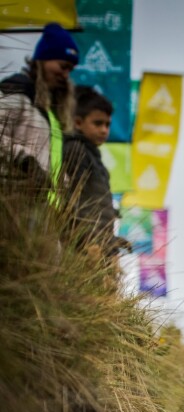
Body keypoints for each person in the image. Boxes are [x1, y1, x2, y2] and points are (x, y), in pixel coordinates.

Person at [0, 22, 78, 189]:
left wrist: (61, 181)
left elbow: (45, 159)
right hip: (10, 198)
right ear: (42, 60)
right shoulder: (16, 91)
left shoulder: (48, 109)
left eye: (70, 69)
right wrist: (24, 159)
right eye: (63, 66)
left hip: (37, 205)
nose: (66, 75)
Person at [62, 86, 125, 256]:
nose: (104, 130)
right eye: (98, 123)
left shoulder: (94, 158)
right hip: (86, 248)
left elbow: (97, 205)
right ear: (78, 122)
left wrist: (112, 242)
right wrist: (87, 242)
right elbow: (75, 201)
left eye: (107, 124)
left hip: (102, 245)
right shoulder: (75, 149)